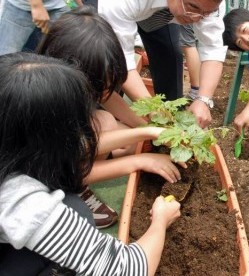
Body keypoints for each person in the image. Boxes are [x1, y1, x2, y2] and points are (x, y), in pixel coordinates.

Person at [0, 52, 181, 275]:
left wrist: (145, 133)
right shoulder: (20, 202)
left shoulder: (10, 146)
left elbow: (78, 148)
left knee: (74, 206)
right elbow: (128, 269)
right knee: (76, 210)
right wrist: (161, 221)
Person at [37, 6, 186, 229]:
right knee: (76, 209)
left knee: (109, 125)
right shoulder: (42, 107)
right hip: (39, 177)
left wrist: (150, 130)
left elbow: (108, 97)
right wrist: (140, 161)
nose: (105, 91)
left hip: (65, 149)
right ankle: (75, 191)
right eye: (99, 85)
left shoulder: (65, 80)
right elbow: (67, 166)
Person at [98, 0, 227, 128]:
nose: (196, 18)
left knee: (170, 55)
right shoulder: (118, 3)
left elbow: (213, 48)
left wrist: (203, 99)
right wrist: (153, 110)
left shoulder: (209, 4)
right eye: (192, 7)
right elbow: (121, 60)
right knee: (102, 69)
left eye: (206, 13)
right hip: (111, 11)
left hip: (161, 14)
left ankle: (170, 126)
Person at [0, 0, 70, 55]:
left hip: (57, 5)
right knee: (6, 55)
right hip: (22, 6)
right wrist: (37, 5)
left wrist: (80, 7)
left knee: (64, 51)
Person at [181, 24, 202, 100]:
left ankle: (195, 91)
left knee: (188, 45)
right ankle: (196, 90)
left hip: (187, 13)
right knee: (191, 43)